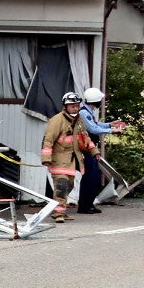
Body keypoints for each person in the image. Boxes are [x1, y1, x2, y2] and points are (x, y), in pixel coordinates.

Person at [41, 91, 100, 223]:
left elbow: (85, 138)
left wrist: (94, 151)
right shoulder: (57, 120)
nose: (75, 108)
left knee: (69, 185)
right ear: (65, 107)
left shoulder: (78, 121)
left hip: (72, 160)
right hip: (59, 159)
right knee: (61, 185)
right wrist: (46, 158)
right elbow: (48, 140)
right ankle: (58, 213)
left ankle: (60, 209)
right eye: (72, 106)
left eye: (77, 106)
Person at [76, 87, 127, 214]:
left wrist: (110, 124)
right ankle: (84, 205)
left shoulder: (87, 112)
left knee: (94, 177)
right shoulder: (84, 113)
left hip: (90, 149)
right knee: (90, 177)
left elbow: (95, 125)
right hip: (87, 149)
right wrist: (112, 130)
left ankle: (88, 204)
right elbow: (93, 129)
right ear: (96, 100)